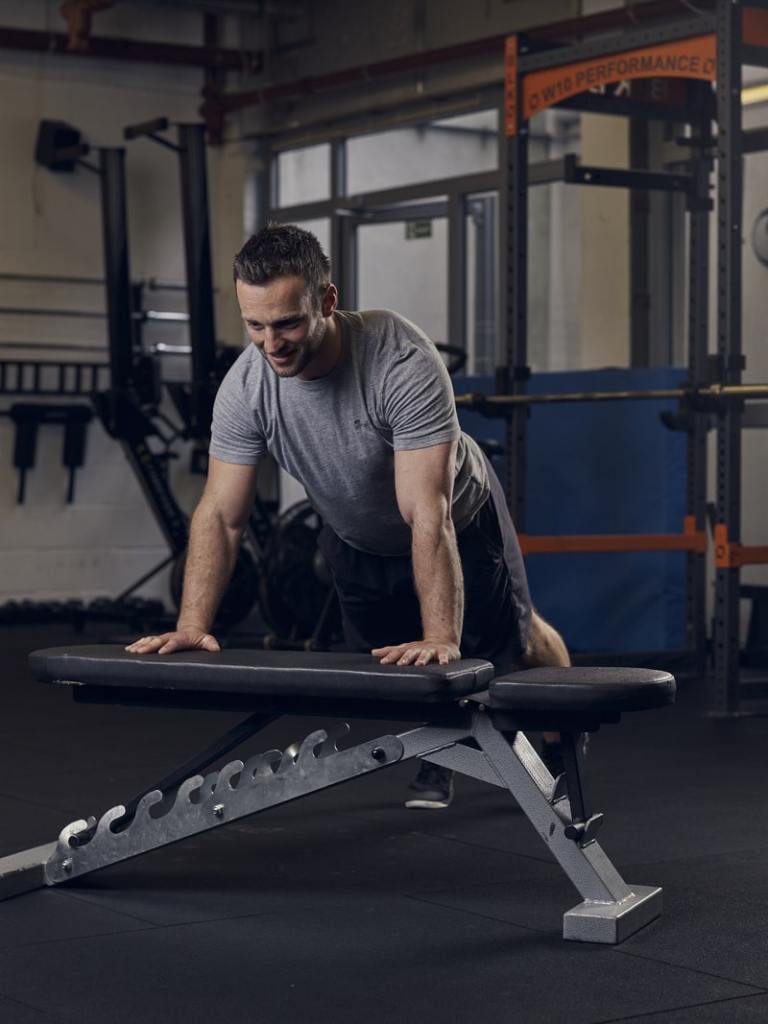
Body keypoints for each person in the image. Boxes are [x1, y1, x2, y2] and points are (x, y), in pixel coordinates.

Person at [126, 223, 571, 808]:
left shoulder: (399, 359)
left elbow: (425, 512)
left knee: (509, 640)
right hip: (354, 534)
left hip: (457, 520)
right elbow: (220, 515)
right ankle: (447, 752)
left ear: (327, 300)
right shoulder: (247, 384)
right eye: (255, 325)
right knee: (390, 663)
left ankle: (562, 739)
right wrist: (192, 624)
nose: (271, 343)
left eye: (286, 322)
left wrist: (441, 639)